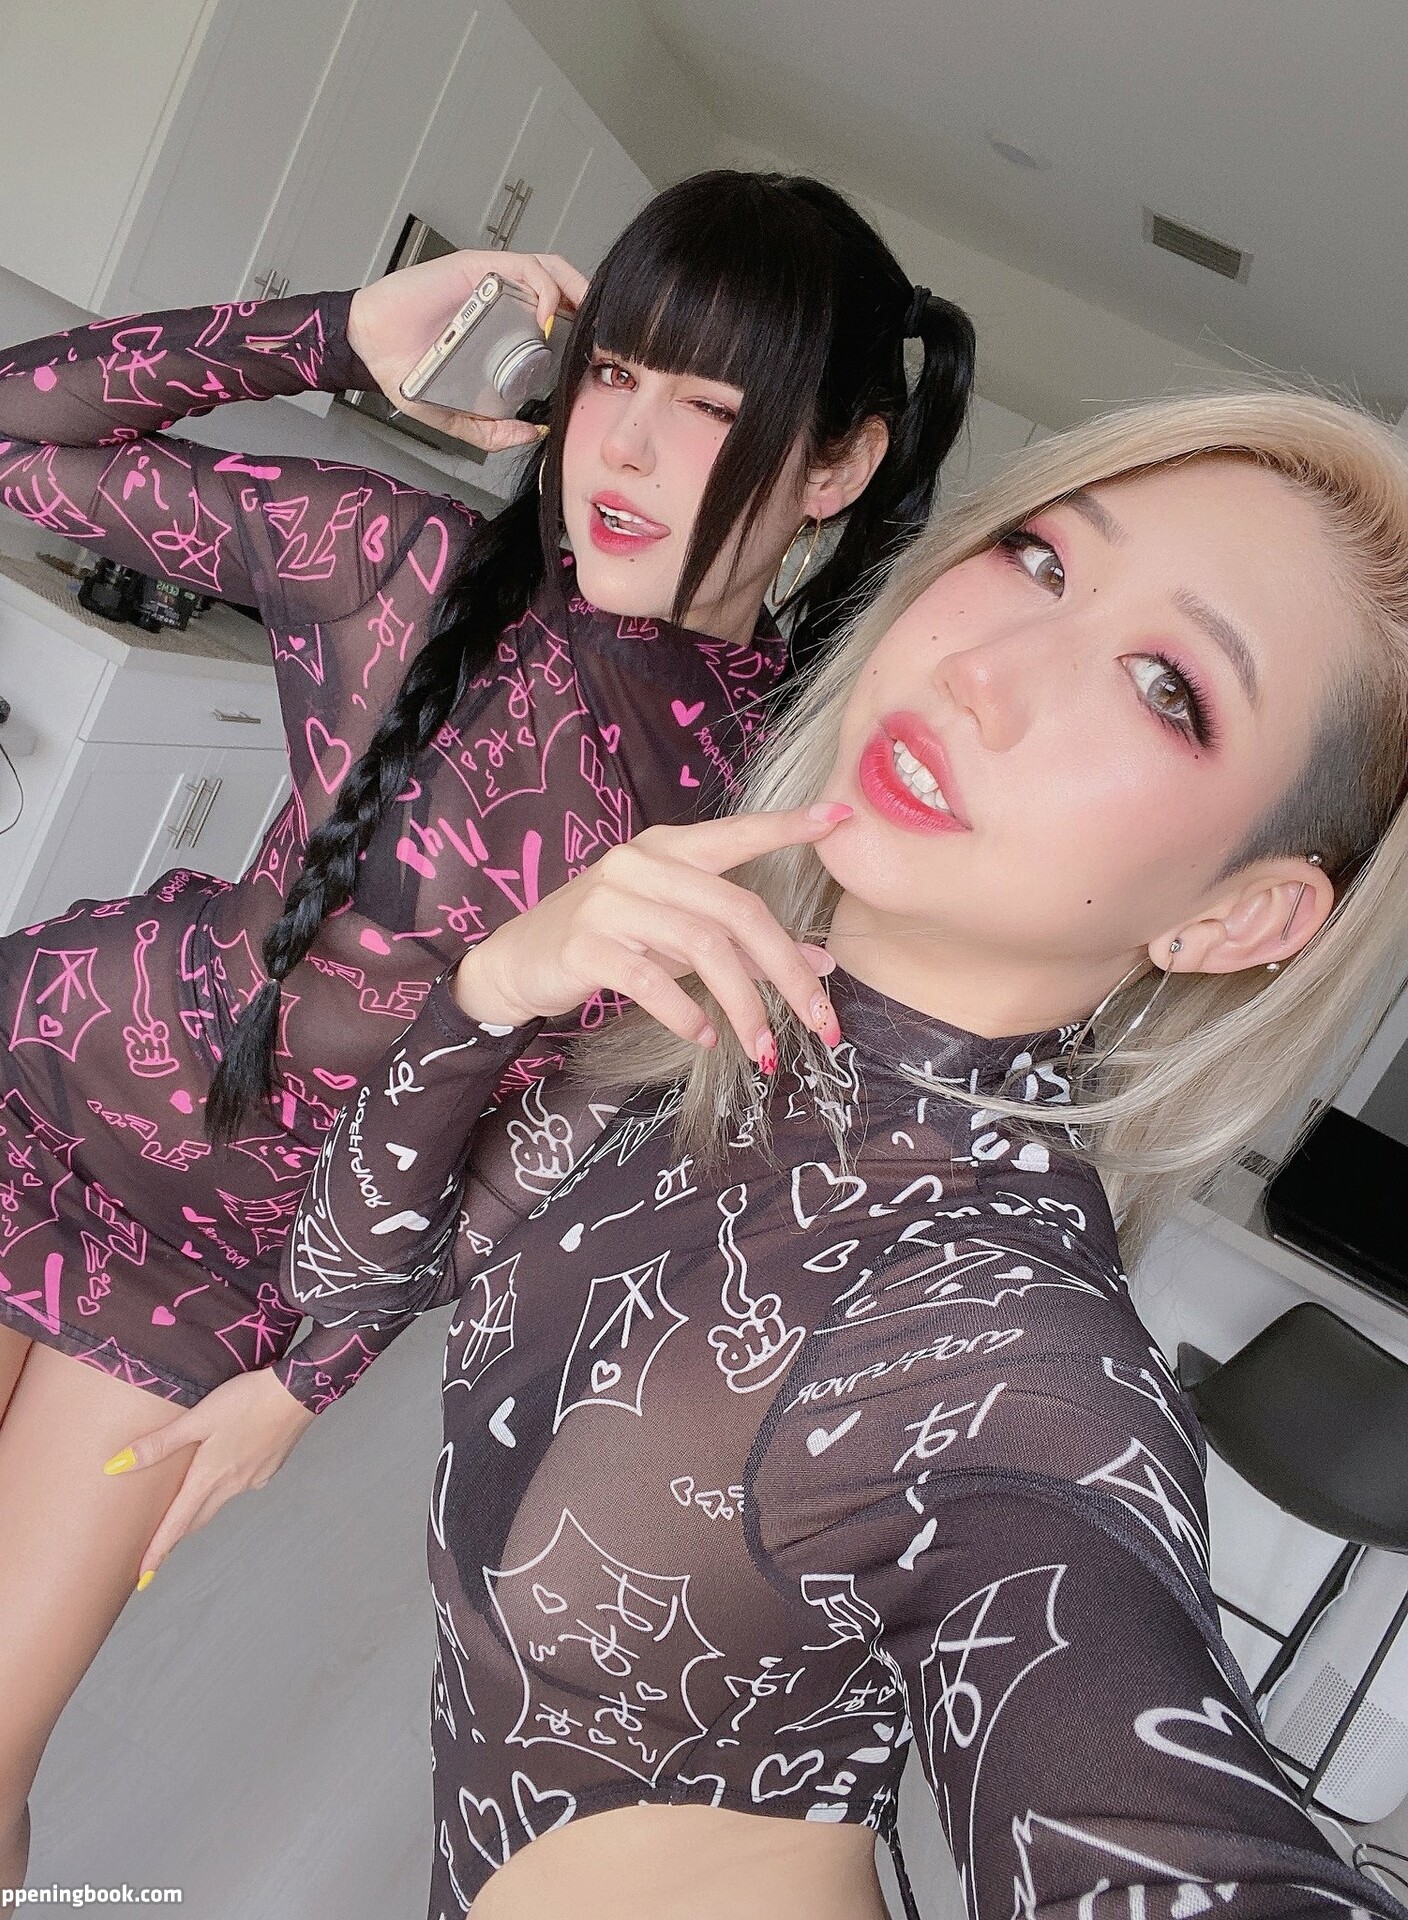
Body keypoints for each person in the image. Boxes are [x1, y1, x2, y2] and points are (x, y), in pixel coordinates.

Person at [0, 170, 975, 1901]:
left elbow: (536, 1172)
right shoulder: (401, 562)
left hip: (229, 1271)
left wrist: (313, 1371)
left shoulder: (779, 815)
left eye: (708, 406)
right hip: (25, 1090)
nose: (624, 447)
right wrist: (343, 334)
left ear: (838, 465)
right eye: (614, 374)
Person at [282, 387, 1408, 1919]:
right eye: (1039, 560)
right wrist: (492, 989)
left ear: (1235, 916)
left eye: (1166, 687)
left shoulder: (1000, 1348)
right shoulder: (715, 1025)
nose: (986, 672)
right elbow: (344, 1278)